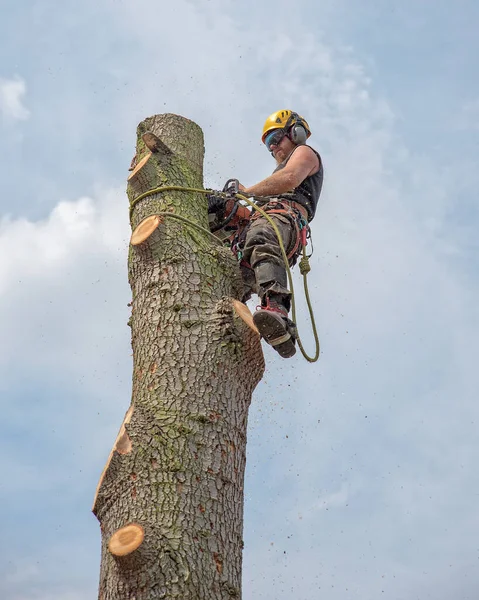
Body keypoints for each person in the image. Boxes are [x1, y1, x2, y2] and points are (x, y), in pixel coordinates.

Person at [230, 109, 323, 359]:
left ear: (296, 133)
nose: (273, 149)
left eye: (275, 140)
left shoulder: (304, 153)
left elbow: (291, 178)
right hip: (261, 225)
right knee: (231, 274)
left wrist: (247, 192)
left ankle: (277, 310)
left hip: (282, 222)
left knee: (261, 236)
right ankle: (229, 331)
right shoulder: (275, 176)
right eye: (268, 146)